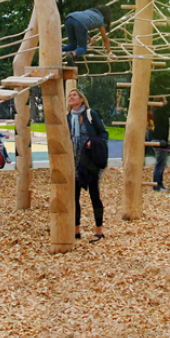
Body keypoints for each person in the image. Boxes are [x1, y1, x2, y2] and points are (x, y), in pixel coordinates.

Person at [68, 88, 108, 241]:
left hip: (90, 163)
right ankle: (76, 230)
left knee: (94, 196)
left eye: (74, 95)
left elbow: (104, 134)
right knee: (74, 197)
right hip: (74, 164)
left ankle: (99, 231)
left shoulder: (91, 115)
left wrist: (94, 142)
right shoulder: (67, 118)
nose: (71, 97)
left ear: (81, 99)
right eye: (70, 96)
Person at [150, 98, 170, 191]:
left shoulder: (162, 113)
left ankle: (160, 184)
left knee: (161, 164)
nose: (166, 102)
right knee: (160, 165)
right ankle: (156, 187)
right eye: (164, 100)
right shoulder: (159, 111)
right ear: (160, 103)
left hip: (162, 140)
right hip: (159, 140)